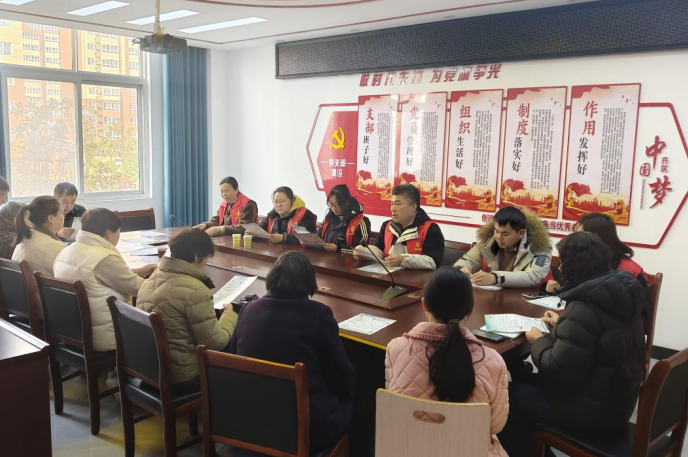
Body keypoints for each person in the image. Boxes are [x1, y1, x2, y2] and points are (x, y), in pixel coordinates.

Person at [498, 232, 646, 457]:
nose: (560, 267)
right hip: (616, 401)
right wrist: (562, 325)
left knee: (505, 398)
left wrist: (539, 340)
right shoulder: (619, 294)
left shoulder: (584, 308)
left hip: (589, 411)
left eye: (561, 262)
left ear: (572, 266)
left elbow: (558, 368)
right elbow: (597, 338)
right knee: (521, 378)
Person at [230, 251, 354, 454]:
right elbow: (342, 376)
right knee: (354, 406)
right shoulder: (319, 314)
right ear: (309, 282)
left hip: (250, 420)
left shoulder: (248, 309)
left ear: (271, 277)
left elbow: (234, 358)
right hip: (299, 427)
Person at [385, 267, 509, 457]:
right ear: (469, 310)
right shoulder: (493, 361)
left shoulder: (396, 348)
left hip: (409, 450)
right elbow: (495, 425)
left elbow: (393, 411)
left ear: (424, 304)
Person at [137, 228, 238, 393]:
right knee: (235, 348)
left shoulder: (151, 279)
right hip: (182, 377)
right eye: (206, 258)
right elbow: (215, 343)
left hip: (149, 369)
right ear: (197, 256)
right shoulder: (195, 291)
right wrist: (230, 314)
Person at [54, 209, 156, 352]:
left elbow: (97, 277)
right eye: (118, 232)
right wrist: (162, 278)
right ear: (108, 232)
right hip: (106, 337)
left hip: (72, 332)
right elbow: (139, 289)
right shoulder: (104, 258)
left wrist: (135, 272)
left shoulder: (66, 251)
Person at [545, 212, 647, 293]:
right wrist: (560, 289)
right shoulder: (581, 260)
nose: (576, 239)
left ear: (598, 239)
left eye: (581, 235)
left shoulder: (630, 272)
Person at [454, 206, 552, 287]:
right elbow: (469, 260)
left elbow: (532, 276)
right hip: (493, 297)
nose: (498, 237)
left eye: (505, 234)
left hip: (524, 299)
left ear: (521, 233)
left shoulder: (539, 248)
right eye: (496, 231)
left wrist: (495, 278)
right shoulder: (488, 240)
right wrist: (462, 269)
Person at [353, 184, 444, 269]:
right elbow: (379, 250)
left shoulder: (430, 229)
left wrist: (403, 260)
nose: (393, 209)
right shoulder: (387, 226)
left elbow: (433, 262)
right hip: (390, 276)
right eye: (392, 204)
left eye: (397, 204)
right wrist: (365, 252)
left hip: (418, 280)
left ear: (413, 207)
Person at [12, 196, 65, 277]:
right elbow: (69, 276)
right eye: (62, 213)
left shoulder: (25, 237)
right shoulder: (52, 245)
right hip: (41, 286)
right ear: (50, 218)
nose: (64, 216)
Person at [311, 184, 371, 252]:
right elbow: (318, 238)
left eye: (337, 204)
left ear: (347, 202)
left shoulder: (361, 221)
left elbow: (362, 250)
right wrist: (310, 243)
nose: (333, 208)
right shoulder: (328, 218)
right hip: (325, 257)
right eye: (331, 204)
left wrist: (338, 248)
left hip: (347, 259)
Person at [194, 176, 258, 237]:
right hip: (227, 239)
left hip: (246, 241)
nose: (224, 194)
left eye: (227, 191)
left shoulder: (248, 204)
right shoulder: (224, 204)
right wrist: (205, 225)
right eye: (222, 191)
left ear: (236, 190)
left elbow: (244, 227)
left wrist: (222, 229)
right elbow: (216, 220)